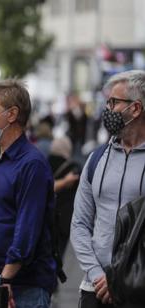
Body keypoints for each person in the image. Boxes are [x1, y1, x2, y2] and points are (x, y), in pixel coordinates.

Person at [0, 80, 56, 308]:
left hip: (21, 286)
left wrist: (7, 276)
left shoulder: (32, 164)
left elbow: (28, 226)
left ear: (12, 115)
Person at [70, 70, 145, 308]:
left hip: (138, 287)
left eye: (113, 102)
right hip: (95, 288)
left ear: (135, 108)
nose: (107, 109)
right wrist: (97, 275)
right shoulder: (96, 159)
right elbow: (79, 223)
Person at [48, 137, 80, 258]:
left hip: (45, 217)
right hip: (64, 220)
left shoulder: (43, 163)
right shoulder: (73, 168)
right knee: (58, 255)